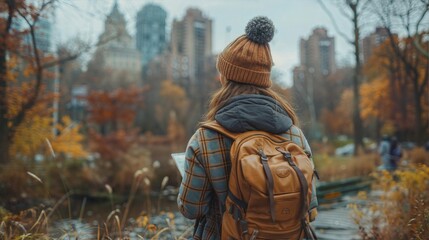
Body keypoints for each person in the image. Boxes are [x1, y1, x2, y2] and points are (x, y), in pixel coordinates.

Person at [177, 16, 318, 239]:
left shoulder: (205, 138)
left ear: (225, 78)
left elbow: (190, 209)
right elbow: (310, 206)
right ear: (264, 80)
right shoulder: (294, 135)